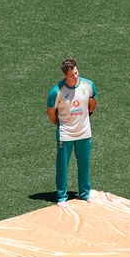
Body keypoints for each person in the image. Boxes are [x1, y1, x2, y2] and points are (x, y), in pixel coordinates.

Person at [46, 59, 98, 207]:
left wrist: (89, 114)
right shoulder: (57, 91)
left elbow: (93, 100)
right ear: (65, 75)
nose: (76, 76)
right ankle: (62, 196)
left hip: (84, 132)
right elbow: (50, 112)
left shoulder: (87, 85)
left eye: (76, 73)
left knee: (84, 164)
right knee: (62, 166)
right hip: (66, 134)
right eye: (72, 75)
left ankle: (85, 193)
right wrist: (60, 124)